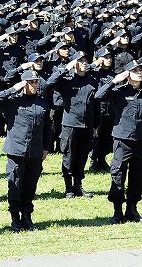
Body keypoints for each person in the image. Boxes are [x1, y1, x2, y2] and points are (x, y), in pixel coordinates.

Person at [0, 70, 51, 232]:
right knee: (15, 185)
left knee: (30, 186)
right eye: (31, 82)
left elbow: (47, 127)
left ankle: (27, 217)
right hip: (16, 151)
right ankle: (15, 218)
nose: (35, 85)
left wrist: (46, 148)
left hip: (36, 152)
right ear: (24, 84)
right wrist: (13, 89)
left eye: (36, 82)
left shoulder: (42, 103)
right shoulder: (13, 101)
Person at [95, 59, 142, 224]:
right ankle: (117, 210)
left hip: (140, 142)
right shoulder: (119, 91)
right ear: (128, 74)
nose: (139, 72)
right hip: (123, 140)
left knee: (138, 177)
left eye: (141, 70)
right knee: (118, 175)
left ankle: (132, 208)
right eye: (135, 70)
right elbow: (99, 96)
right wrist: (114, 80)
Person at [47, 51, 99, 199]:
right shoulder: (67, 81)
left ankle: (78, 186)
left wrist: (96, 125)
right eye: (80, 60)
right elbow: (50, 83)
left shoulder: (92, 81)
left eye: (85, 60)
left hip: (87, 126)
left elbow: (96, 106)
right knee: (69, 156)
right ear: (74, 63)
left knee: (82, 157)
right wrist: (66, 68)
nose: (84, 62)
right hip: (70, 125)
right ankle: (68, 187)